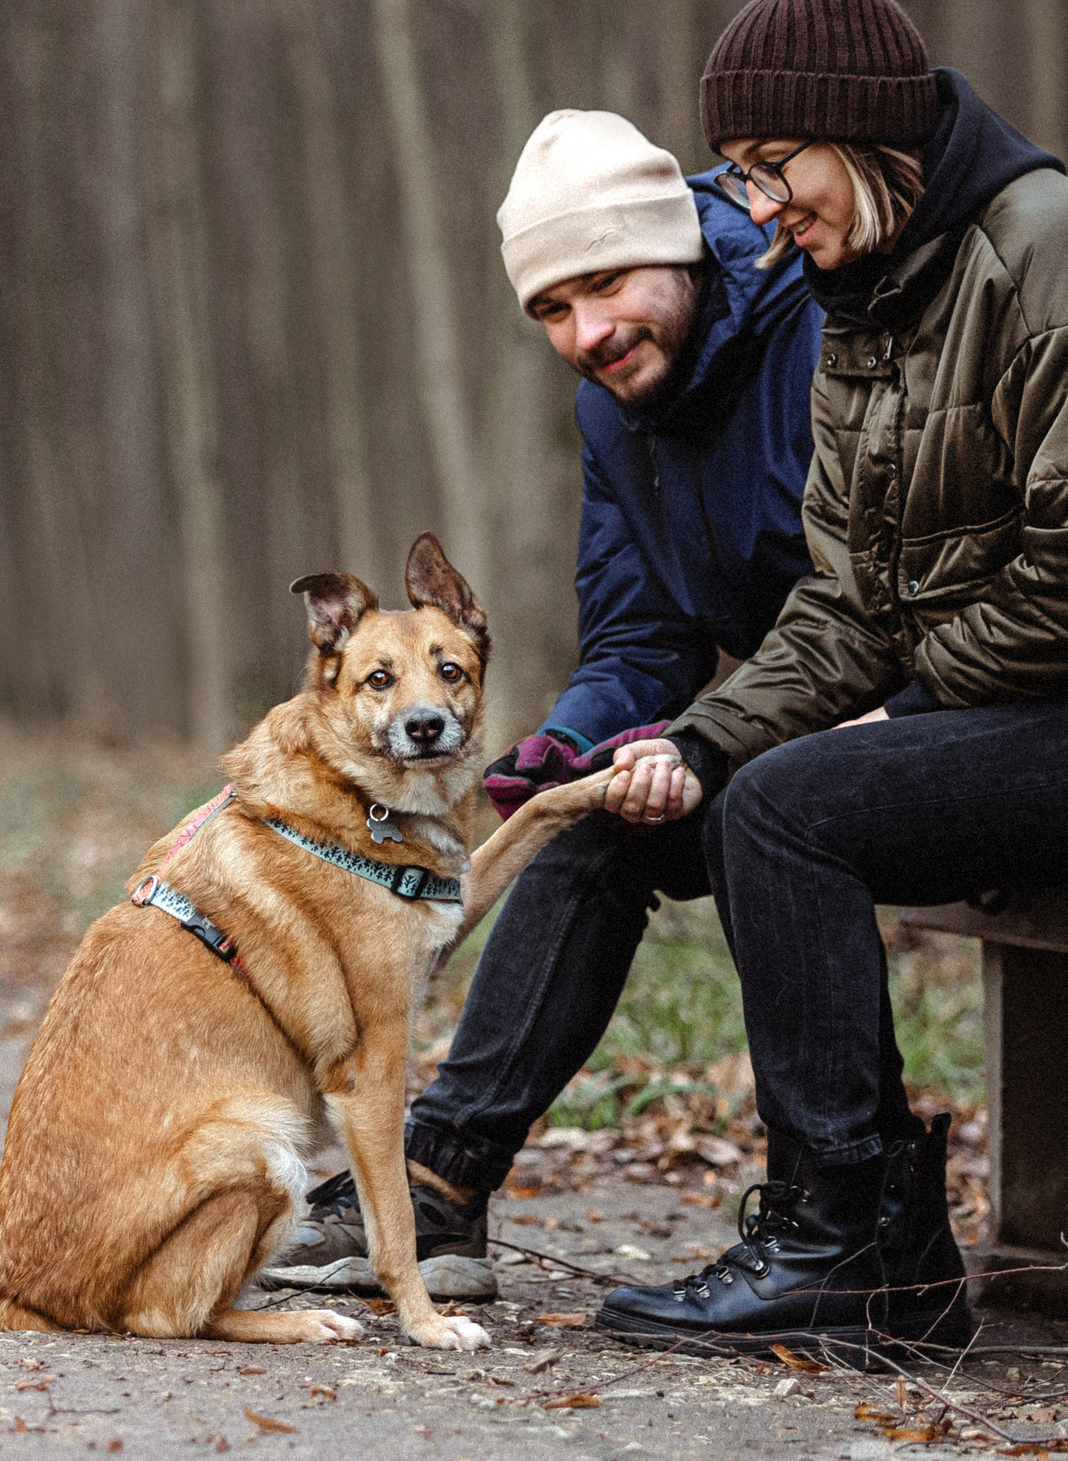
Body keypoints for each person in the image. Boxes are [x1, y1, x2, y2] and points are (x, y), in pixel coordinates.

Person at [572, 0, 1068, 1361]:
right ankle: (866, 1239)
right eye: (738, 176)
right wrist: (706, 733)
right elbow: (846, 600)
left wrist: (906, 707)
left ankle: (849, 1238)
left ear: (861, 130)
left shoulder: (1053, 248)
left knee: (798, 809)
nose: (758, 207)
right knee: (756, 787)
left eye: (767, 166)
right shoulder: (864, 298)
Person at [258, 107, 828, 1304]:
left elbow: (878, 599)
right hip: (772, 721)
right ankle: (439, 1189)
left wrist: (725, 737)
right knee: (587, 805)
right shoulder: (613, 412)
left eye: (606, 285)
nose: (587, 334)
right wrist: (565, 745)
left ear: (671, 247)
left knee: (758, 807)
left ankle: (834, 1215)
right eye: (552, 312)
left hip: (895, 711)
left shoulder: (815, 333)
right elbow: (642, 634)